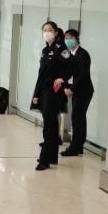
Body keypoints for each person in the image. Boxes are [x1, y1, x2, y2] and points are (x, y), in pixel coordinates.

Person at [32, 21, 70, 171]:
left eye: (50, 30)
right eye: (44, 30)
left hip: (54, 92)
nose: (47, 32)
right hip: (43, 91)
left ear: (56, 32)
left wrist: (63, 79)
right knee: (52, 125)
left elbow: (71, 67)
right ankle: (52, 156)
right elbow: (41, 74)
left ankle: (44, 159)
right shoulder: (45, 50)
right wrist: (36, 94)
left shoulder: (62, 49)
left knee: (48, 125)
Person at [60, 29, 94, 156]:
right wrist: (65, 87)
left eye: (70, 38)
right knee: (79, 117)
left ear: (76, 38)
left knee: (76, 117)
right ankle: (79, 146)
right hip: (73, 90)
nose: (67, 40)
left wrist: (71, 89)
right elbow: (66, 72)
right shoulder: (67, 54)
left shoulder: (83, 54)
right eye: (65, 38)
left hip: (83, 90)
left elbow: (82, 75)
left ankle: (74, 147)